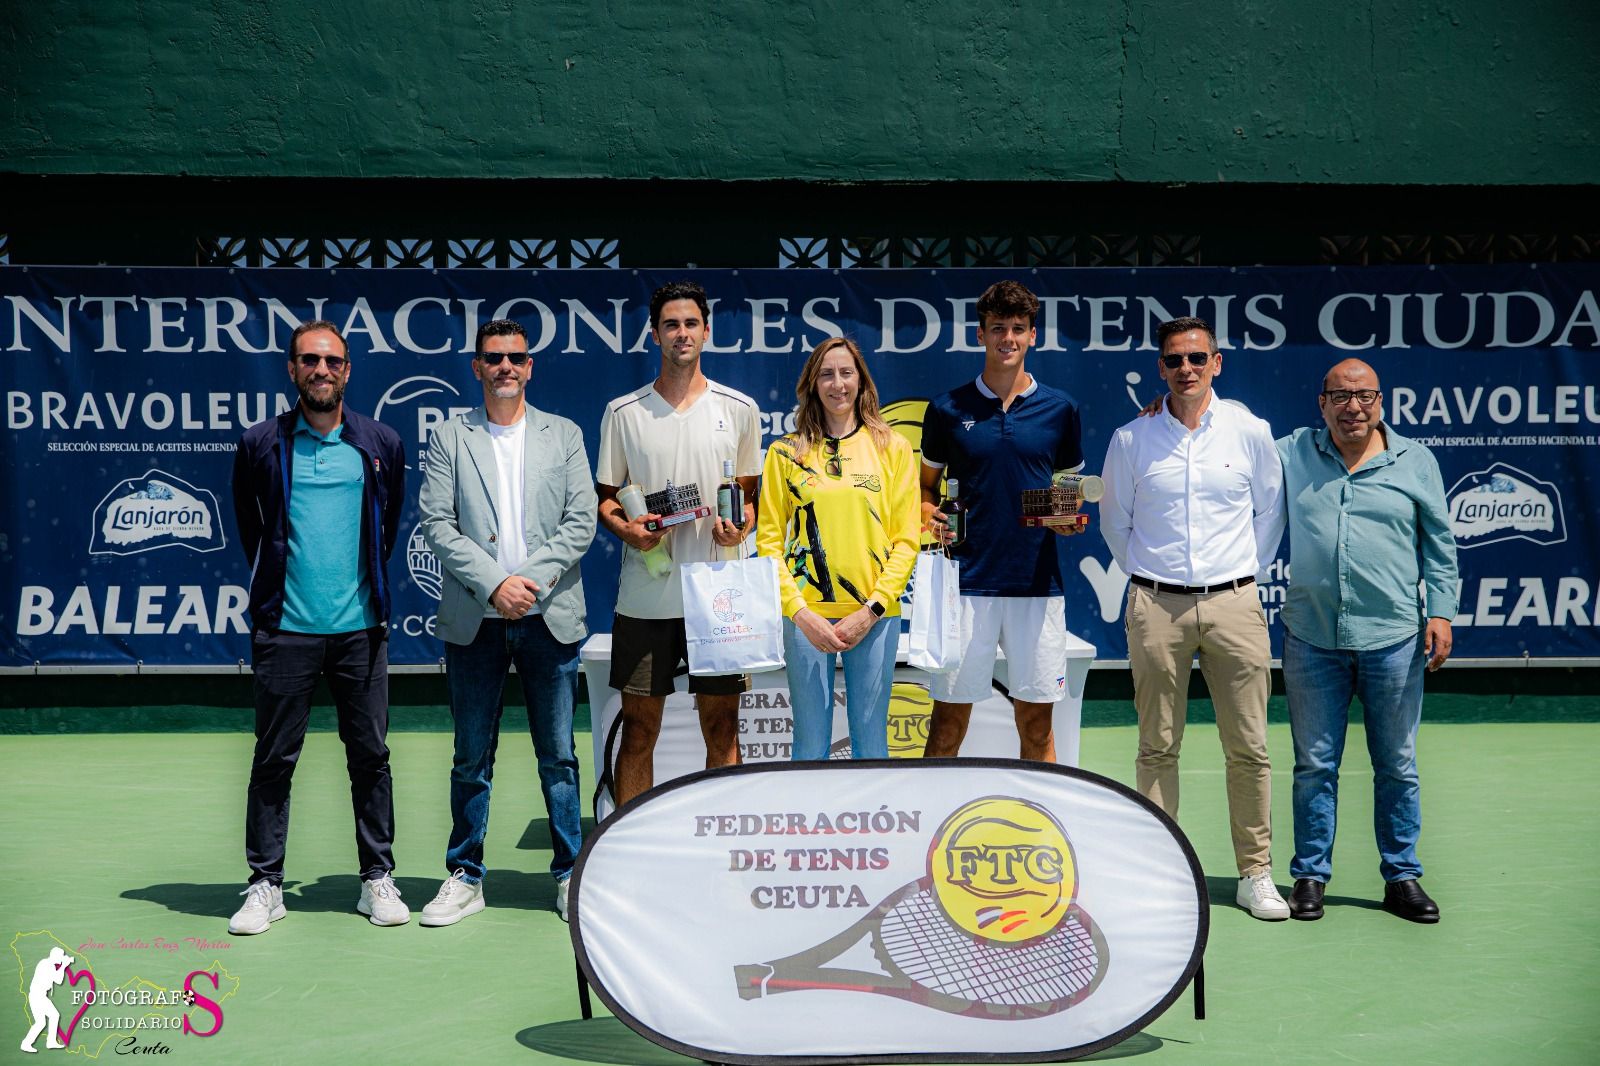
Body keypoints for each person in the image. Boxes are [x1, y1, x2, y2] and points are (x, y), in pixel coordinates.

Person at [1100, 315, 1289, 920]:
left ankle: (1255, 874)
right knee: (1156, 746)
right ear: (1162, 367)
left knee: (1250, 748)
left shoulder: (1250, 432)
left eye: (1197, 358)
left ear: (1217, 363)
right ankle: (1158, 874)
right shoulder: (1132, 439)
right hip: (1156, 605)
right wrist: (1157, 578)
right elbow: (1116, 523)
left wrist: (1232, 578)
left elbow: (1270, 513)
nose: (1187, 369)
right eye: (1176, 360)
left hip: (1235, 602)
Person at [229, 319, 407, 934]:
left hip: (361, 631)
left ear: (348, 370)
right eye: (309, 361)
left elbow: (387, 527)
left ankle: (377, 878)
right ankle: (265, 884)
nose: (321, 371)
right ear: (292, 369)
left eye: (332, 362)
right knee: (274, 759)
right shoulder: (260, 443)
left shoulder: (379, 441)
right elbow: (251, 527)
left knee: (371, 757)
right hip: (286, 632)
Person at [416, 319, 597, 925]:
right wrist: (496, 583)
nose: (506, 368)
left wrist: (528, 583)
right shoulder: (450, 437)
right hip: (476, 619)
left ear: (530, 366)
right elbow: (438, 524)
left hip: (551, 617)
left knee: (559, 756)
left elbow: (581, 523)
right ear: (476, 366)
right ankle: (465, 877)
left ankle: (571, 873)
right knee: (471, 756)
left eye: (516, 358)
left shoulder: (564, 435)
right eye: (494, 358)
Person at [1277, 358, 1457, 923]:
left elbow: (1440, 544)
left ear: (1381, 401)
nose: (1353, 406)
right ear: (1321, 402)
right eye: (1341, 396)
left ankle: (1401, 877)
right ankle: (1309, 876)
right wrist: (1165, 408)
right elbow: (1223, 440)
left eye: (1365, 396)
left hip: (1395, 636)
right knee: (1314, 765)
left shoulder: (1415, 461)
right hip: (1311, 636)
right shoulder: (1290, 454)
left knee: (1397, 763)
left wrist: (1443, 613)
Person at [596, 281, 760, 807]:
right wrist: (627, 530)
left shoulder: (739, 409)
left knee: (722, 729)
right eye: (671, 324)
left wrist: (741, 526)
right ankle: (625, 851)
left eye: (691, 323)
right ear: (654, 334)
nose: (681, 333)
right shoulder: (624, 412)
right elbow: (606, 499)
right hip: (648, 595)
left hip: (719, 597)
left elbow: (751, 499)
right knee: (640, 731)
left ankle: (722, 844)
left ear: (706, 332)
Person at [919, 280, 1085, 763]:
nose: (1007, 338)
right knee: (948, 725)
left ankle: (1044, 830)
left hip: (1036, 585)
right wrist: (932, 519)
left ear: (1033, 335)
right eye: (997, 328)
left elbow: (1066, 492)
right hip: (965, 585)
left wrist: (1066, 518)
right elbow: (924, 488)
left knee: (1036, 728)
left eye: (1017, 328)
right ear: (980, 335)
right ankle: (931, 823)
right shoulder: (947, 409)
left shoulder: (1061, 409)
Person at [756, 337, 920, 759]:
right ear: (813, 384)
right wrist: (800, 612)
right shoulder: (785, 453)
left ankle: (872, 825)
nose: (837, 383)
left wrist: (873, 610)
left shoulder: (893, 448)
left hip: (875, 616)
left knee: (871, 744)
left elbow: (907, 540)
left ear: (861, 381)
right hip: (807, 619)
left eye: (846, 373)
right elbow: (769, 542)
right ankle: (809, 826)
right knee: (809, 745)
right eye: (826, 374)